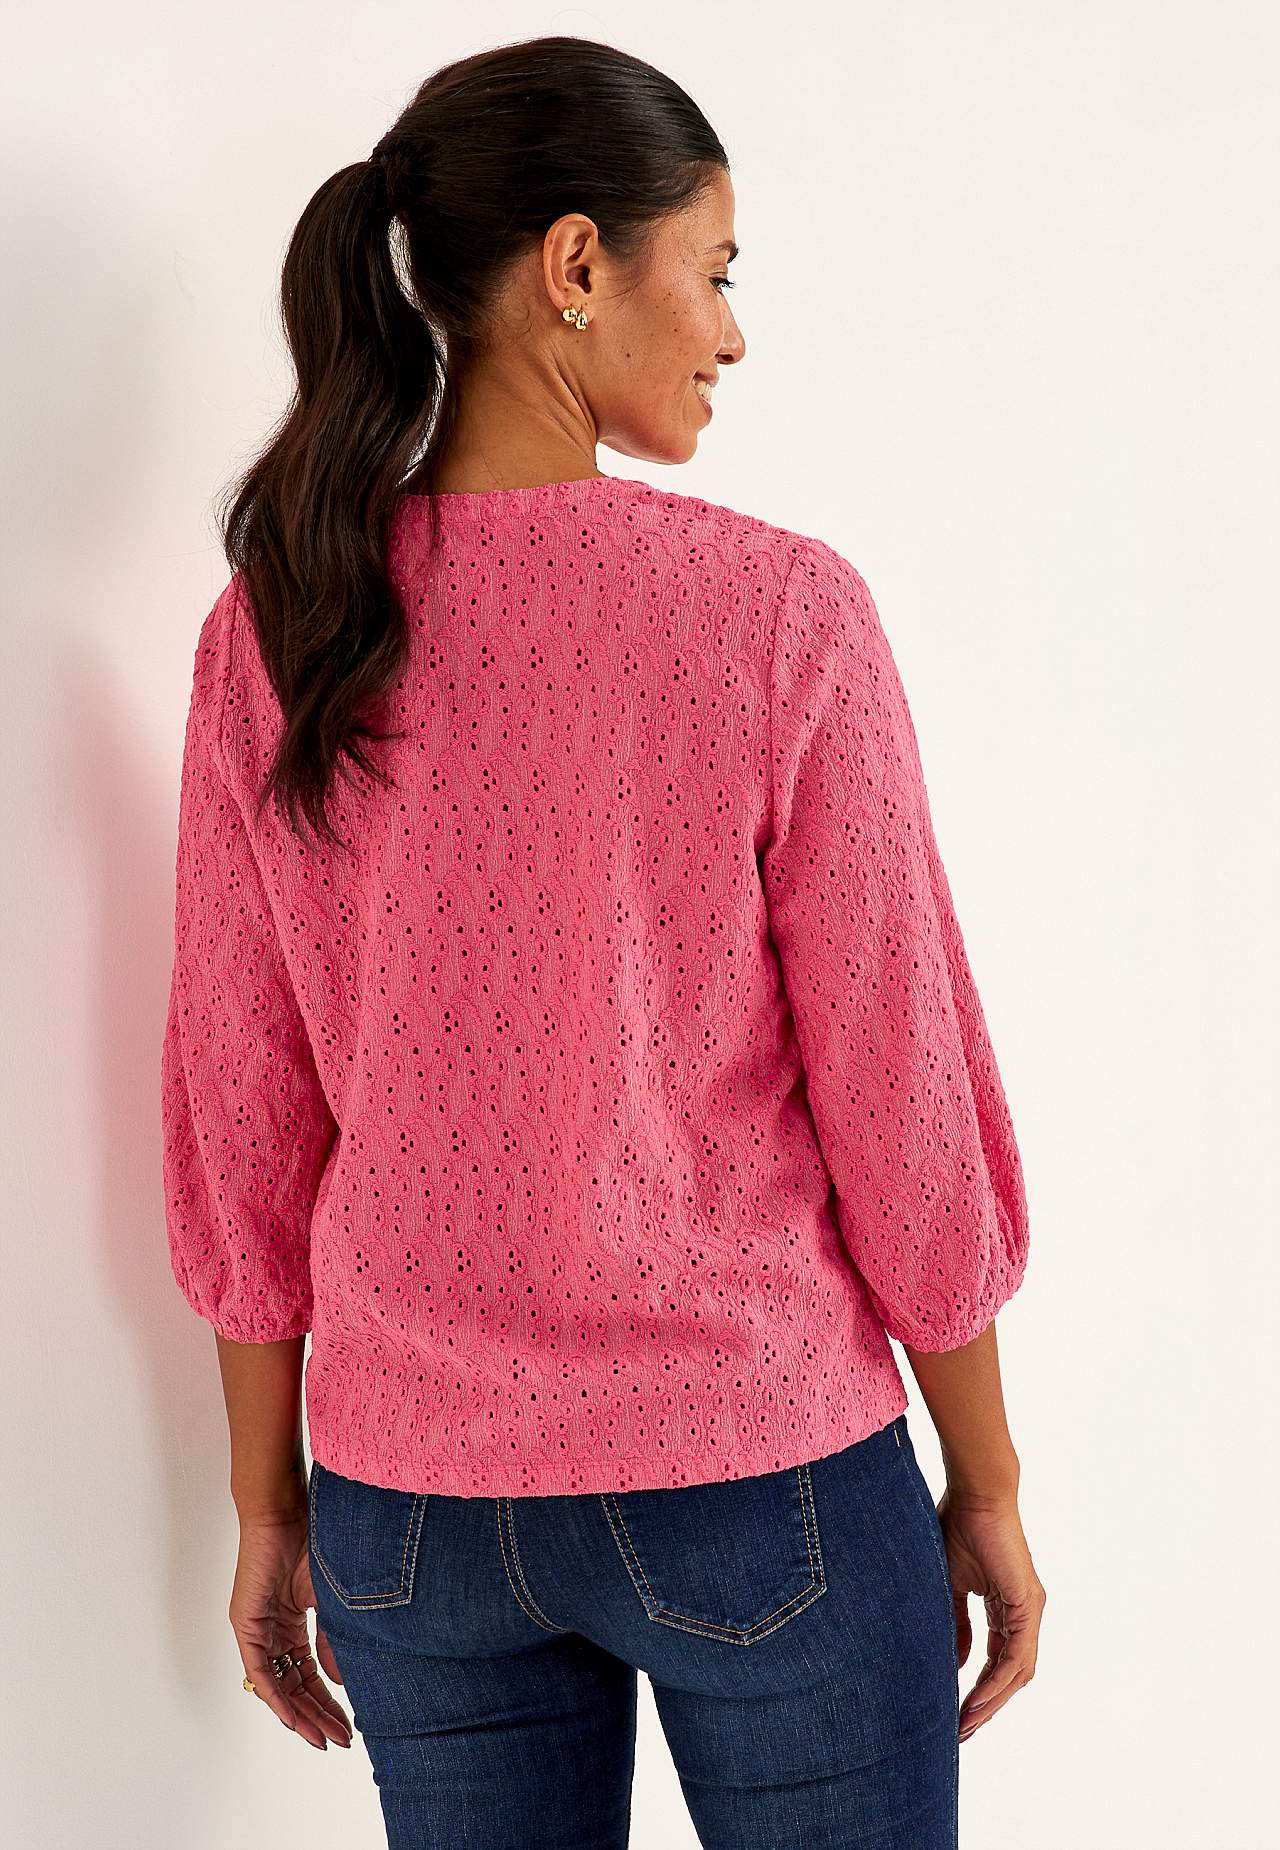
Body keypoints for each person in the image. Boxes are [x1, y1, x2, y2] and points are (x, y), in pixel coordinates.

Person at [160, 33, 1044, 1850]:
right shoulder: (779, 614)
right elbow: (901, 1092)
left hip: (407, 1510)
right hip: (760, 1476)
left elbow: (242, 1112)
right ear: (576, 264)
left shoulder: (278, 628)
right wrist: (990, 1474)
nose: (733, 333)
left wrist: (267, 1502)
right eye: (713, 271)